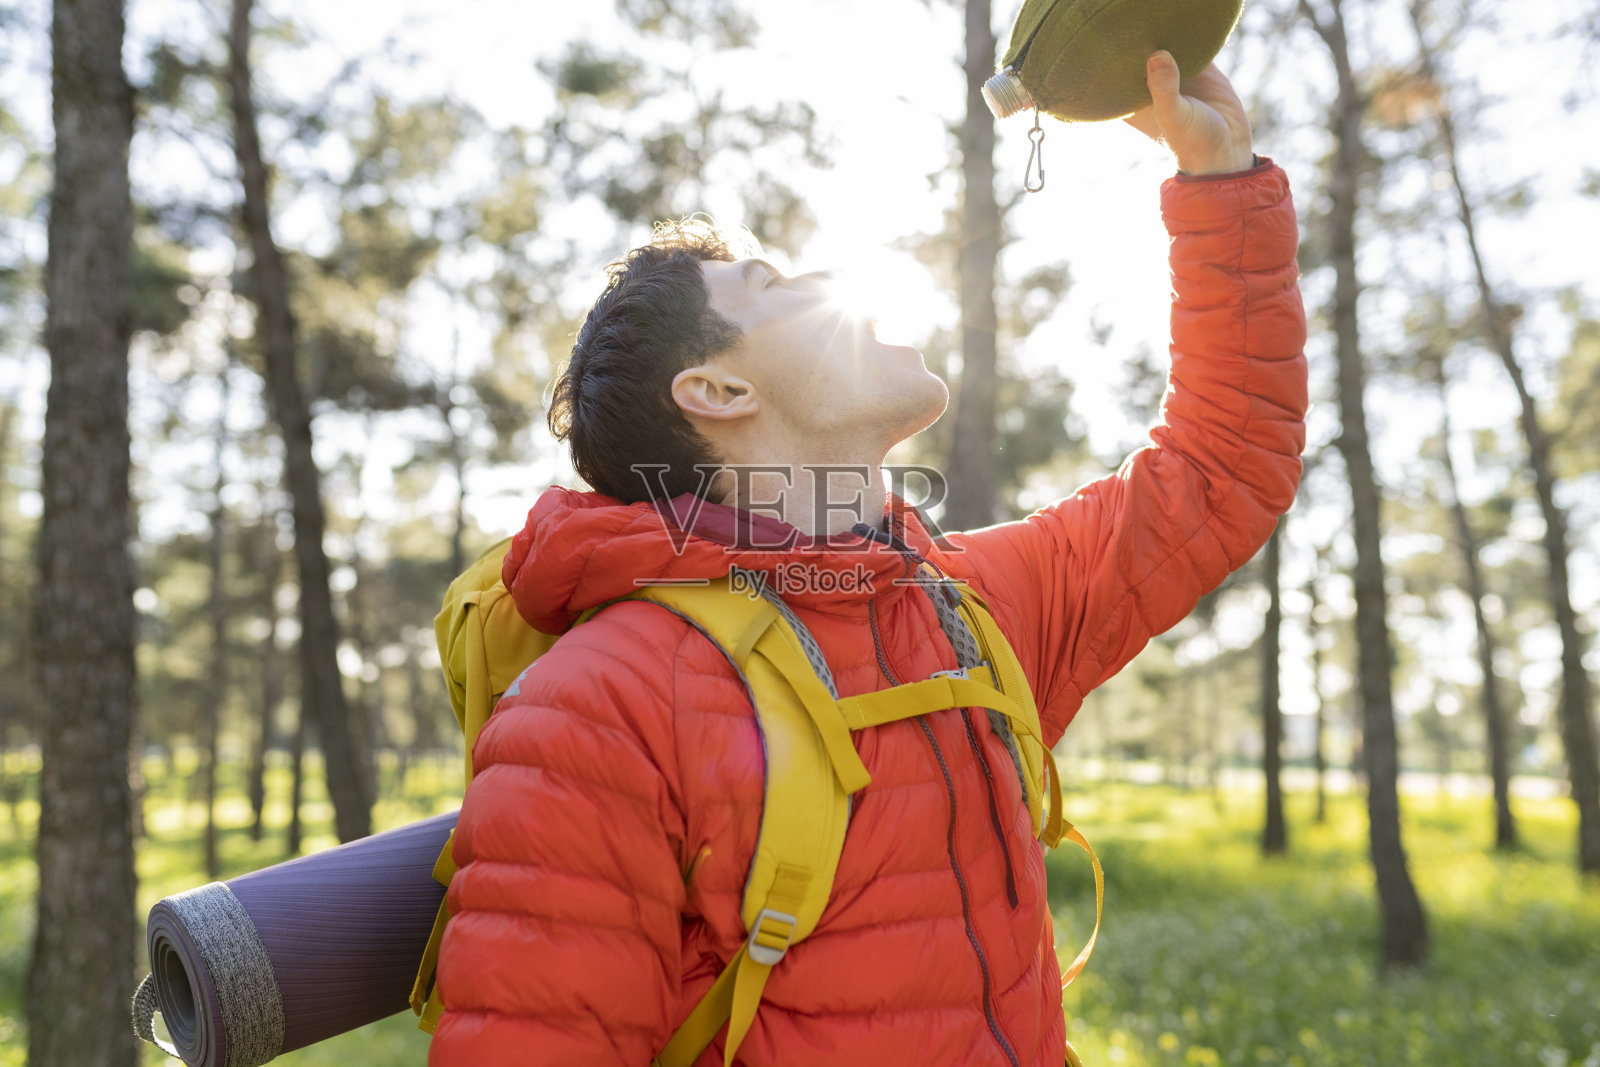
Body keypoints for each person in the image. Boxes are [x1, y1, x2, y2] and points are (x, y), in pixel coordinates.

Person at [428, 51, 1307, 1067]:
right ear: (715, 392)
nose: (826, 284)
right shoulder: (595, 707)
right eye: (771, 286)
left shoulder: (963, 611)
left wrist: (1218, 183)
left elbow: (1221, 467)